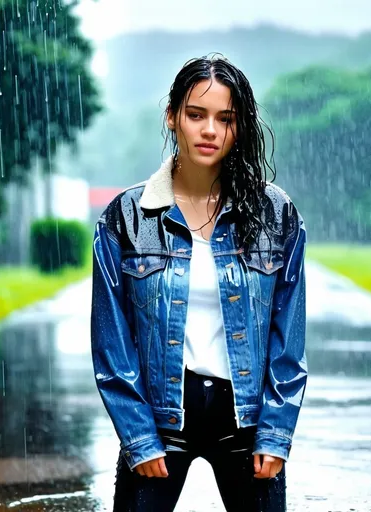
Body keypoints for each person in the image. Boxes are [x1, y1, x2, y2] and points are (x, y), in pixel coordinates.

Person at [91, 54, 307, 512]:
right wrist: (138, 437)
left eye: (224, 119)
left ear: (239, 127)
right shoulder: (126, 218)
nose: (210, 130)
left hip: (246, 420)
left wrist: (275, 431)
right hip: (160, 418)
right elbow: (112, 343)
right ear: (172, 117)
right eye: (196, 115)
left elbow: (288, 339)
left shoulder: (276, 214)